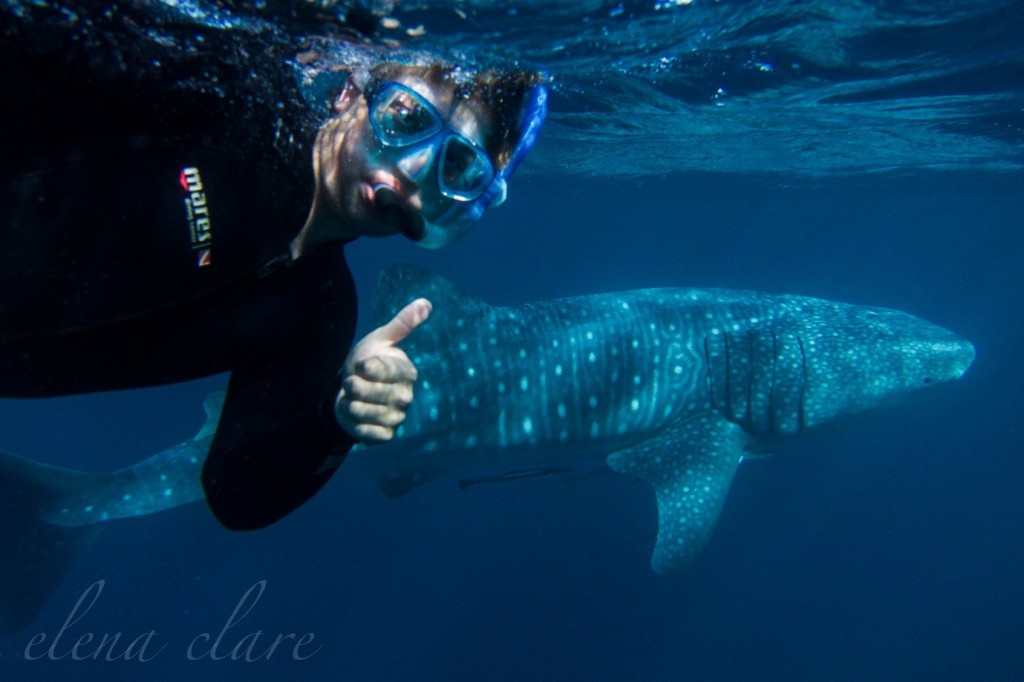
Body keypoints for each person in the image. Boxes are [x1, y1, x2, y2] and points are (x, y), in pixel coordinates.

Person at [0, 1, 547, 529]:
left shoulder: (317, 312)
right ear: (351, 94)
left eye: (457, 164)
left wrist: (339, 420)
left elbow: (239, 497)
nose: (413, 169)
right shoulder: (226, 92)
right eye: (405, 117)